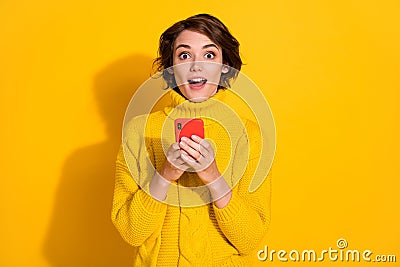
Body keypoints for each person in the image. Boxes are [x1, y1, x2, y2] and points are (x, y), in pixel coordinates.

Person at [111, 14, 272, 266]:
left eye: (209, 55)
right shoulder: (139, 131)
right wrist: (165, 174)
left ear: (225, 66)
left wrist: (213, 177)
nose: (197, 66)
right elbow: (132, 233)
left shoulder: (247, 135)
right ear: (171, 69)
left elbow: (249, 239)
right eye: (184, 55)